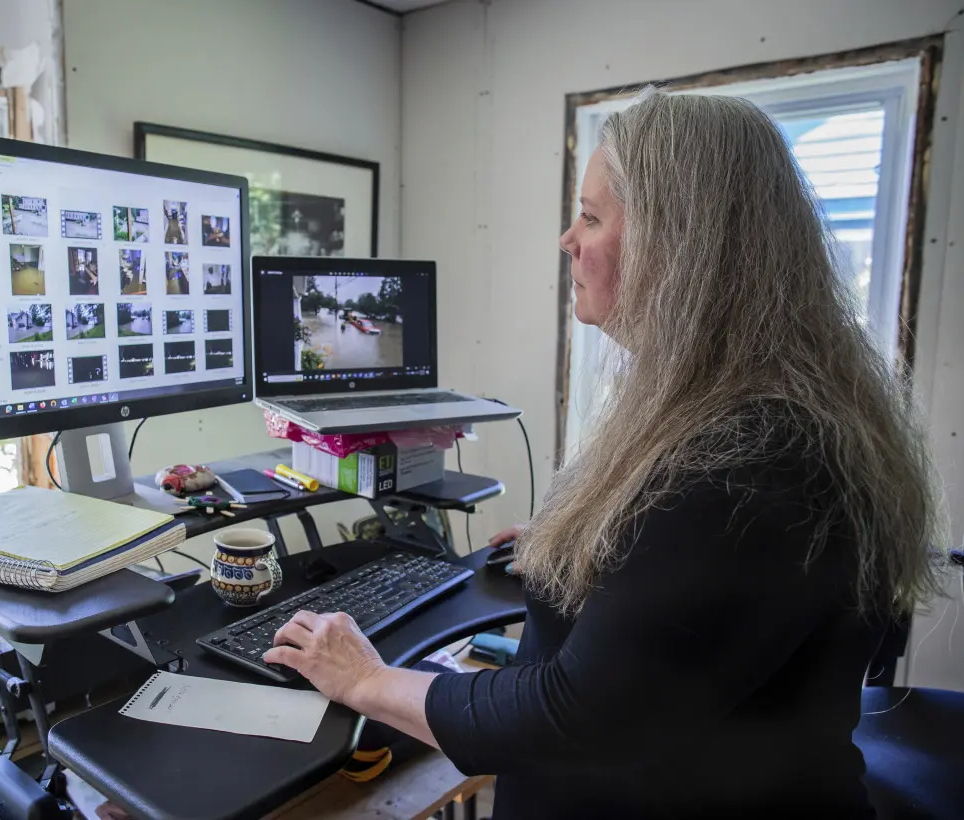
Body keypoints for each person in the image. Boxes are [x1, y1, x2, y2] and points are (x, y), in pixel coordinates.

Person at [262, 90, 943, 819]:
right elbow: (705, 594)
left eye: (590, 217)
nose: (568, 240)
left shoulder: (751, 458)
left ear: (677, 246)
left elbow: (570, 718)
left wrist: (363, 679)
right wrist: (608, 552)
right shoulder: (766, 408)